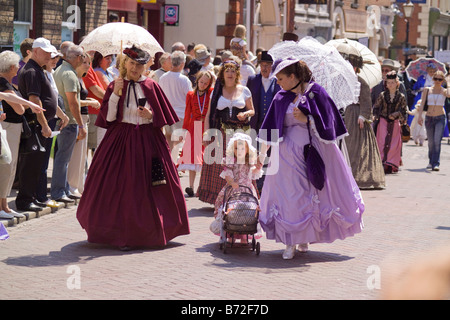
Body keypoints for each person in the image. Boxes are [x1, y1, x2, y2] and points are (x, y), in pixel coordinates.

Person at [76, 45, 190, 250]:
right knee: (118, 185)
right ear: (124, 63)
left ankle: (150, 232)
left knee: (151, 185)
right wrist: (116, 94)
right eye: (131, 63)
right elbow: (109, 118)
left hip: (148, 140)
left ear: (145, 66)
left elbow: (164, 118)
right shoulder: (114, 85)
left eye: (139, 65)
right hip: (120, 139)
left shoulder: (152, 86)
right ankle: (118, 232)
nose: (135, 68)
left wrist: (151, 116)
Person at [257, 58, 364, 260]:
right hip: (286, 155)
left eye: (281, 78)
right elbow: (271, 127)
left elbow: (329, 124)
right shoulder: (280, 97)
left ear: (293, 76)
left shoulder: (317, 93)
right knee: (291, 195)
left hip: (314, 151)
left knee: (311, 193)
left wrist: (308, 119)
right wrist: (262, 155)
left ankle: (305, 236)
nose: (278, 83)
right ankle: (290, 241)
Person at [16, 37, 64, 212]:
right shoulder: (32, 71)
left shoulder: (39, 70)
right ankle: (25, 200)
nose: (49, 56)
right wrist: (44, 125)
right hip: (34, 124)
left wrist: (61, 114)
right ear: (35, 51)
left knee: (36, 164)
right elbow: (35, 100)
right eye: (46, 52)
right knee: (30, 164)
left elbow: (46, 98)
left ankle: (31, 198)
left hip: (39, 124)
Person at [197, 60, 255, 205]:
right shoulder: (216, 92)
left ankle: (239, 195)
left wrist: (246, 114)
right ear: (222, 74)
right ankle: (219, 198)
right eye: (227, 71)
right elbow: (209, 114)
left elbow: (252, 111)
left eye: (232, 71)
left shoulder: (245, 90)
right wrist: (205, 133)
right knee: (221, 165)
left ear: (237, 73)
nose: (230, 73)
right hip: (221, 133)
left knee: (239, 166)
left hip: (240, 134)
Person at [0, 50, 40, 219]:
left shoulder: (8, 84)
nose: (18, 67)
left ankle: (5, 205)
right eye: (16, 64)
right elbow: (19, 108)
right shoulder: (4, 84)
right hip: (8, 128)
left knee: (10, 167)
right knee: (7, 167)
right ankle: (2, 207)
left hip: (11, 127)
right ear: (10, 67)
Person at [343, 57, 385, 189]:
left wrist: (362, 116)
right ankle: (345, 176)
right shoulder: (342, 81)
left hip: (355, 116)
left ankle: (358, 177)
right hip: (344, 114)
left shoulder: (361, 83)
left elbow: (366, 102)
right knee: (345, 146)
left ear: (356, 68)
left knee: (356, 147)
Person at [211, 132, 262, 243]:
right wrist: (231, 181)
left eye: (242, 148)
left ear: (248, 150)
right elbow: (228, 173)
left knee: (247, 211)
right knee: (231, 211)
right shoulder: (230, 161)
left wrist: (257, 168)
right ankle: (230, 234)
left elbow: (253, 172)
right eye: (236, 148)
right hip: (234, 189)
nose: (239, 151)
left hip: (247, 189)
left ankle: (245, 235)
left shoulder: (249, 161)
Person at [50, 44, 86, 203]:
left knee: (62, 157)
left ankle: (62, 189)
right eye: (83, 57)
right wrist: (81, 124)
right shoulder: (70, 74)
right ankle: (59, 192)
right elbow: (73, 103)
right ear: (78, 58)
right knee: (63, 158)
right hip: (69, 121)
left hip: (62, 119)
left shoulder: (59, 70)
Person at [36, 46, 68, 208]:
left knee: (45, 159)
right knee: (41, 161)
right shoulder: (43, 74)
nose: (55, 60)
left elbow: (53, 100)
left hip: (53, 120)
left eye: (56, 57)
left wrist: (62, 115)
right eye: (52, 57)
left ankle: (40, 195)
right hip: (45, 121)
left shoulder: (51, 74)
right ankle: (40, 196)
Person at [67, 54, 100, 196]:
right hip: (76, 118)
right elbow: (73, 101)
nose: (87, 65)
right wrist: (90, 102)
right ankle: (72, 187)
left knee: (81, 157)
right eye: (84, 62)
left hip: (83, 117)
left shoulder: (80, 78)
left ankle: (79, 186)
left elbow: (81, 97)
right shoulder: (73, 76)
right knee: (75, 156)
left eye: (89, 63)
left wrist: (89, 100)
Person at [178, 71, 214, 197]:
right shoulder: (190, 94)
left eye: (206, 83)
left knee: (206, 158)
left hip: (207, 126)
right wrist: (184, 131)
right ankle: (191, 186)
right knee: (192, 158)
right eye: (201, 82)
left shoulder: (211, 92)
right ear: (197, 81)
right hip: (194, 127)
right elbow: (187, 113)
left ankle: (202, 186)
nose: (203, 85)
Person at [373, 71, 407, 174]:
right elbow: (376, 107)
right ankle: (382, 163)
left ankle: (390, 164)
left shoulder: (401, 96)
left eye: (392, 82)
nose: (390, 84)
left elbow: (404, 110)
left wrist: (396, 114)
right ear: (386, 84)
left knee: (394, 143)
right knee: (381, 141)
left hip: (395, 123)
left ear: (397, 83)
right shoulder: (382, 95)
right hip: (383, 121)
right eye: (388, 82)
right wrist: (375, 116)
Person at [159, 50, 193, 154]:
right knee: (176, 143)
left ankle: (169, 164)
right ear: (182, 64)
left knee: (169, 140)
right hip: (180, 115)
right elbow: (190, 97)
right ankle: (173, 166)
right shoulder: (184, 80)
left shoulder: (163, 77)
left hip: (167, 114)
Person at [417, 70, 449, 171]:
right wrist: (419, 116)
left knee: (437, 141)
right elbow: (422, 104)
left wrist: (448, 83)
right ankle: (431, 161)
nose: (437, 81)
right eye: (436, 78)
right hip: (429, 117)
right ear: (433, 79)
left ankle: (436, 163)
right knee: (430, 142)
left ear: (442, 80)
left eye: (440, 79)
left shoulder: (444, 91)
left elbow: (449, 94)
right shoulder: (427, 90)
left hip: (440, 117)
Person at [82, 51, 105, 153]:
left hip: (96, 109)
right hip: (92, 110)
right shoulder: (85, 67)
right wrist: (110, 98)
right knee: (88, 145)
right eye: (90, 51)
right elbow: (95, 89)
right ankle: (87, 169)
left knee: (93, 145)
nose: (92, 53)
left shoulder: (89, 66)